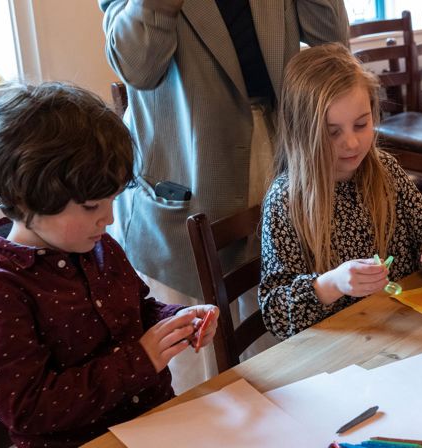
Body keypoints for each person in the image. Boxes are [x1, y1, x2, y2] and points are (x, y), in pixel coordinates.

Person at [99, 0, 349, 390]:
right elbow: (139, 69)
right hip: (187, 170)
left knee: (274, 338)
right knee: (197, 365)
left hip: (279, 152)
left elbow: (331, 42)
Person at [0, 83, 219, 447]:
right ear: (25, 195)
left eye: (112, 201)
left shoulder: (97, 245)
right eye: (90, 207)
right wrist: (140, 359)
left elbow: (139, 309)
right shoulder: (5, 287)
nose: (109, 219)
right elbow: (27, 408)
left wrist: (177, 321)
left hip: (157, 426)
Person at [258, 43, 422, 339]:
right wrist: (331, 284)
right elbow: (275, 314)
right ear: (303, 132)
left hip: (404, 331)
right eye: (332, 132)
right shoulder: (286, 200)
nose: (351, 144)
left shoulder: (384, 171)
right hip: (338, 351)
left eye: (361, 125)